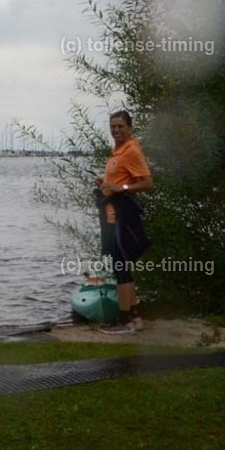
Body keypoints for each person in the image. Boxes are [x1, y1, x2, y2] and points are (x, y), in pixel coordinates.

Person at [94, 110, 153, 335]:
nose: (116, 130)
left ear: (129, 128)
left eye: (120, 126)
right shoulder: (118, 150)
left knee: (121, 266)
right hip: (113, 214)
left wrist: (122, 188)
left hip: (124, 214)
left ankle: (125, 320)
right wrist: (105, 182)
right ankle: (135, 318)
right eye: (113, 126)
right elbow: (119, 179)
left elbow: (147, 182)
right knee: (122, 265)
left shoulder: (132, 150)